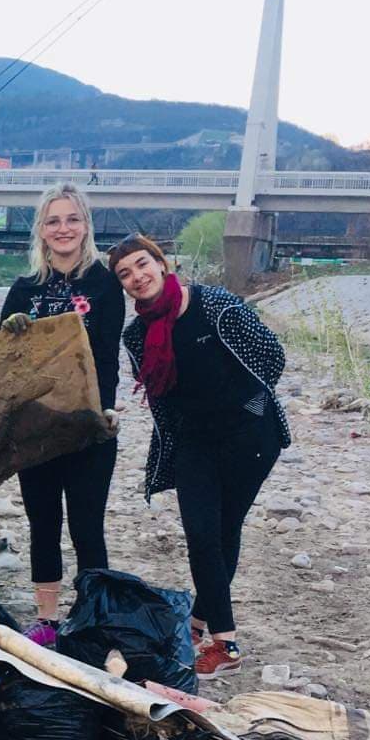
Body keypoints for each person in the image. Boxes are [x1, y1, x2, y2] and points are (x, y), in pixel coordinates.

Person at [111, 233, 289, 680]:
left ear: (162, 263)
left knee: (225, 531)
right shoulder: (137, 335)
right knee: (202, 534)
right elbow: (159, 397)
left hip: (249, 438)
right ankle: (206, 631)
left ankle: (217, 639)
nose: (137, 277)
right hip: (194, 443)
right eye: (126, 274)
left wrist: (243, 411)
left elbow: (272, 358)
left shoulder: (214, 305)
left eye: (142, 265)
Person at [0, 183, 125, 645]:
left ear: (85, 225)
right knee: (43, 522)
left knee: (88, 525)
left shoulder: (105, 284)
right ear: (42, 231)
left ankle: (94, 616)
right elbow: (1, 358)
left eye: (72, 219)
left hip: (90, 424)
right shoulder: (24, 288)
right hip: (35, 428)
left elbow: (107, 355)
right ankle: (47, 621)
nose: (63, 228)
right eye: (53, 221)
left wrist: (104, 409)